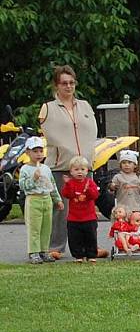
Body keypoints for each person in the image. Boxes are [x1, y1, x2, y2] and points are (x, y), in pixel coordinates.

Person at [38, 65, 98, 259]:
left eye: (72, 83)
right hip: (61, 166)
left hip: (84, 166)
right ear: (56, 85)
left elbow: (92, 133)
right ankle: (56, 246)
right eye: (64, 83)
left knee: (87, 209)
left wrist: (90, 158)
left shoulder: (85, 106)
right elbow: (50, 134)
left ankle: (89, 247)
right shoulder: (48, 108)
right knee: (61, 209)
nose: (68, 86)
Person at [18, 137, 63, 264]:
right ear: (28, 152)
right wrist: (33, 179)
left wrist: (57, 200)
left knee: (46, 227)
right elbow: (22, 186)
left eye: (40, 151)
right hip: (34, 200)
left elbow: (52, 185)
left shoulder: (46, 168)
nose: (38, 154)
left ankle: (44, 250)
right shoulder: (25, 169)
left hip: (46, 199)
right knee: (34, 227)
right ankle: (34, 252)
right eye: (35, 151)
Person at [61, 155, 99, 263]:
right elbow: (66, 194)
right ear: (71, 171)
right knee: (75, 238)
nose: (79, 172)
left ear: (87, 171)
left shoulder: (90, 182)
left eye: (82, 169)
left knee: (91, 237)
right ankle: (78, 256)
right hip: (74, 217)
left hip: (89, 217)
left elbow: (95, 195)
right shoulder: (71, 183)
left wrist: (88, 191)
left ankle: (91, 255)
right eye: (76, 169)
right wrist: (67, 184)